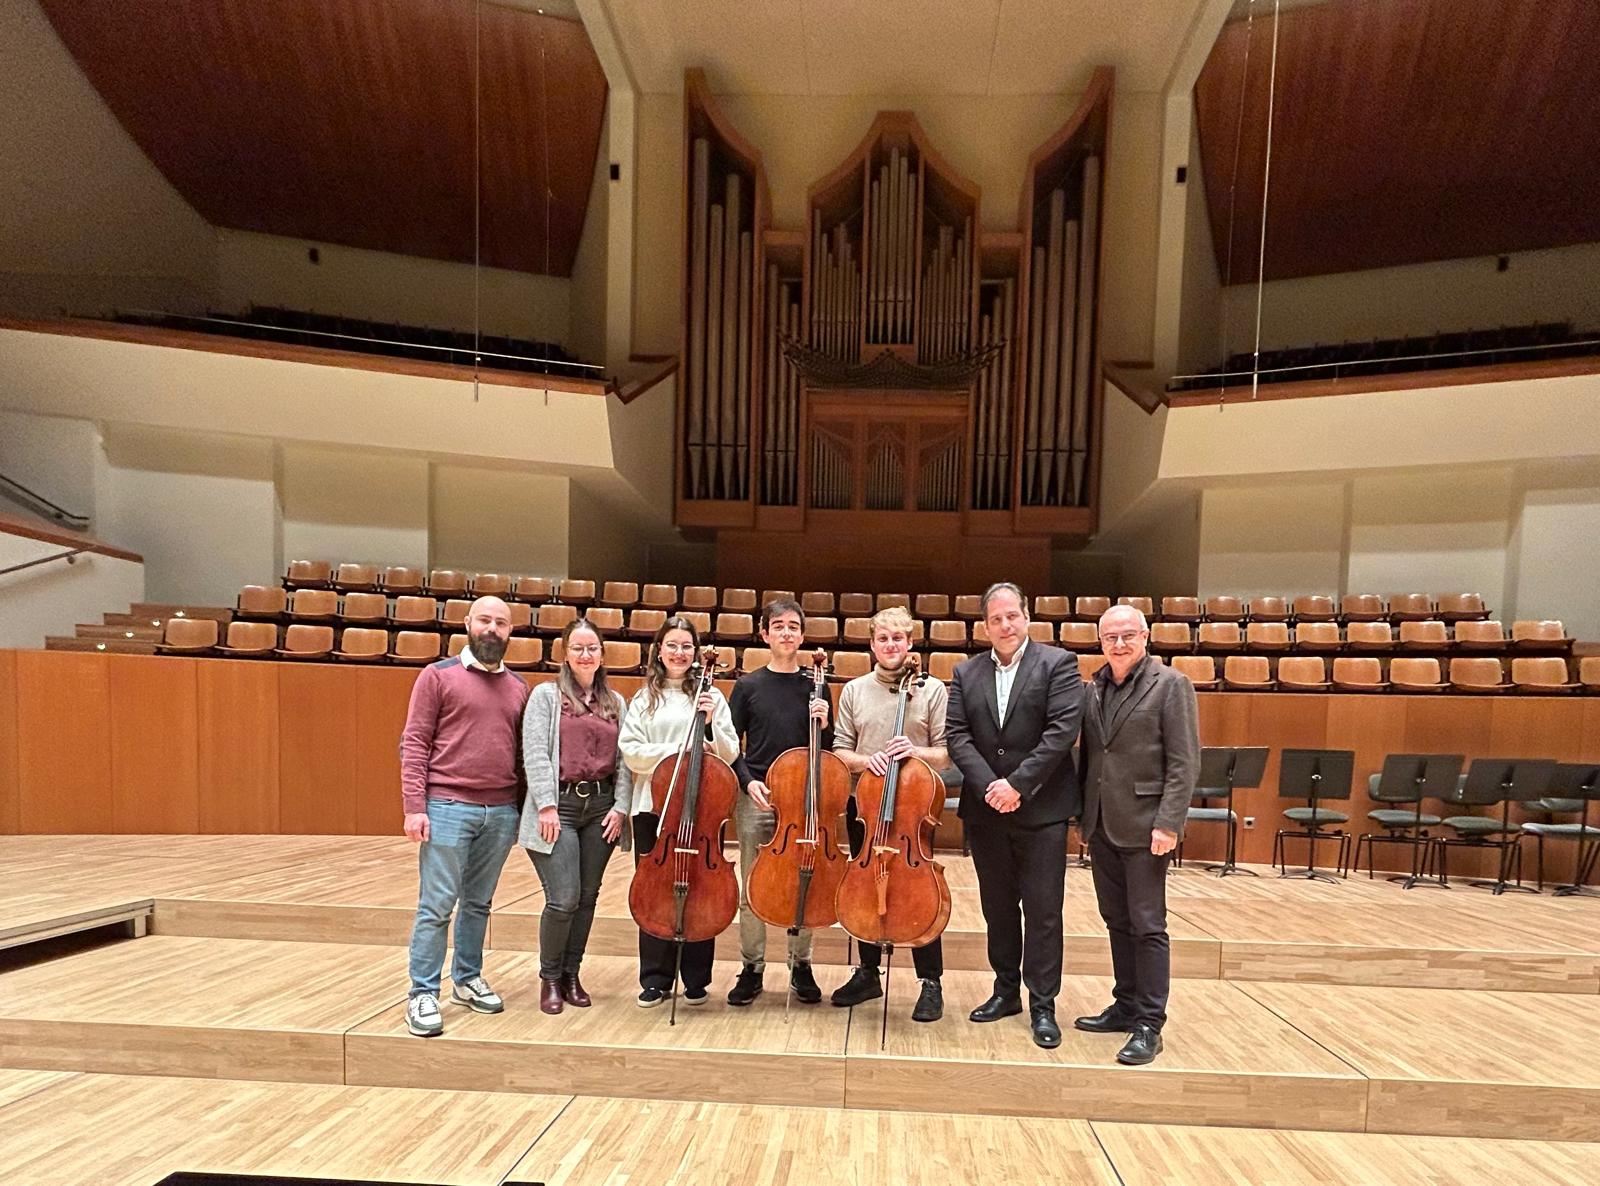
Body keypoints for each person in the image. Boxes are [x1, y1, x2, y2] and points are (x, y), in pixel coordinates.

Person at [945, 581, 1084, 1049]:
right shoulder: (966, 672)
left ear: (1026, 617)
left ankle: (1043, 1005)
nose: (1005, 625)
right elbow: (957, 735)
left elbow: (1062, 732)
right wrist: (992, 787)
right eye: (996, 619)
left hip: (1041, 810)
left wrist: (1017, 786)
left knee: (1043, 912)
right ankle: (1006, 992)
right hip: (987, 811)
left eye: (1012, 616)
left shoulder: (1058, 664)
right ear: (985, 626)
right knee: (998, 908)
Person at [1074, 604, 1199, 1066]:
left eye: (1128, 635)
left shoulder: (1171, 685)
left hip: (1147, 826)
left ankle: (1149, 1022)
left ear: (1145, 637)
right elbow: (1091, 758)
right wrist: (1084, 818)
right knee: (1116, 920)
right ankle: (1125, 1004)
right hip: (1102, 824)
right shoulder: (1094, 688)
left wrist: (1169, 822)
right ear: (1101, 642)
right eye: (1110, 637)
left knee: (1147, 925)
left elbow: (1184, 761)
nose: (1119, 643)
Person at [400, 596, 529, 1038]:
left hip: (501, 811)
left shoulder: (518, 687)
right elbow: (415, 741)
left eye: (501, 623)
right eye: (485, 620)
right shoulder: (437, 676)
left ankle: (467, 979)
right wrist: (414, 806)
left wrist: (519, 811)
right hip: (447, 806)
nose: (493, 629)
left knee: (478, 903)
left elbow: (521, 755)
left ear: (510, 631)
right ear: (467, 624)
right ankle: (422, 993)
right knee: (437, 906)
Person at [830, 606, 950, 1021]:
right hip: (865, 805)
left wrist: (915, 751)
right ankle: (867, 973)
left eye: (898, 638)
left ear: (910, 643)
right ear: (872, 644)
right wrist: (869, 761)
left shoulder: (932, 690)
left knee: (919, 888)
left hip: (915, 808)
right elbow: (840, 750)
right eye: (883, 638)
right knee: (864, 885)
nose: (891, 645)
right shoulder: (854, 691)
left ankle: (930, 981)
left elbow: (946, 753)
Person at [618, 616, 740, 1007]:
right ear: (659, 650)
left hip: (702, 809)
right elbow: (631, 751)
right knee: (654, 890)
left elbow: (729, 752)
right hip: (653, 806)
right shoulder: (644, 698)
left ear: (696, 652)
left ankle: (696, 977)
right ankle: (655, 977)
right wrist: (678, 754)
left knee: (702, 887)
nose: (679, 652)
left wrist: (710, 726)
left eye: (687, 646)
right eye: (672, 645)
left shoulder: (712, 696)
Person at [520, 616, 634, 1015]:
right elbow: (535, 752)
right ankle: (550, 977)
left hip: (601, 808)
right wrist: (546, 805)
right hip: (560, 808)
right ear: (565, 653)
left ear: (602, 654)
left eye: (592, 648)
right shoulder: (546, 696)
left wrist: (621, 807)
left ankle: (572, 974)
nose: (586, 655)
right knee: (563, 898)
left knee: (587, 897)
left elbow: (625, 762)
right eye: (578, 648)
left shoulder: (616, 702)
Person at [726, 597, 831, 1005]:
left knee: (803, 881)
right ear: (764, 634)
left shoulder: (816, 685)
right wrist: (747, 782)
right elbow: (729, 745)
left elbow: (827, 749)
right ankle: (751, 967)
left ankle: (800, 964)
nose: (786, 633)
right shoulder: (748, 686)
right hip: (758, 795)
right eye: (779, 626)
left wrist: (823, 721)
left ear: (802, 636)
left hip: (804, 798)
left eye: (793, 627)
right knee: (753, 884)